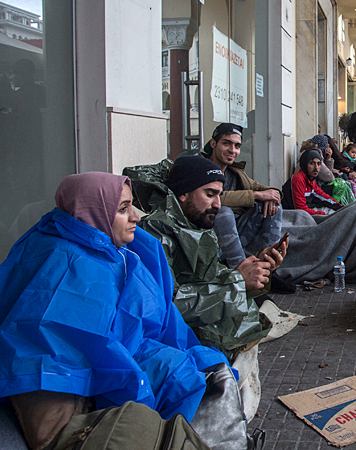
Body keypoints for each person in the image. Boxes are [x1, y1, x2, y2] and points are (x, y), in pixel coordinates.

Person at [0, 173, 231, 449]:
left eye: (131, 205)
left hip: (121, 350)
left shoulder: (113, 248)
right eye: (123, 209)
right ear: (91, 212)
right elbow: (69, 339)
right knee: (175, 378)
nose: (136, 216)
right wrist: (137, 382)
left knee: (186, 372)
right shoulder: (66, 261)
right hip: (70, 383)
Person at [128, 156, 286, 352]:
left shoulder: (192, 224)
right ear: (183, 194)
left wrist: (257, 268)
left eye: (219, 195)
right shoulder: (156, 233)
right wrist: (238, 280)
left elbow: (209, 278)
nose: (218, 204)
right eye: (210, 194)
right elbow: (168, 306)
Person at [202, 123, 295, 294]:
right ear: (213, 143)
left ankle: (267, 272)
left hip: (235, 232)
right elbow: (211, 199)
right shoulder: (200, 169)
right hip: (208, 238)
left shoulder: (234, 172)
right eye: (226, 143)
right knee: (223, 212)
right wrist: (256, 196)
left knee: (274, 207)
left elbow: (261, 188)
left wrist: (273, 194)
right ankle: (242, 276)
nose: (232, 150)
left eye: (237, 146)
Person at [285, 148, 343, 216]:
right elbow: (301, 209)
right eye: (312, 163)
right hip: (292, 216)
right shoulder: (298, 179)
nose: (316, 167)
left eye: (318, 164)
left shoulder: (310, 180)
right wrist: (323, 214)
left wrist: (341, 208)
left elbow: (323, 196)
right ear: (305, 164)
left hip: (305, 213)